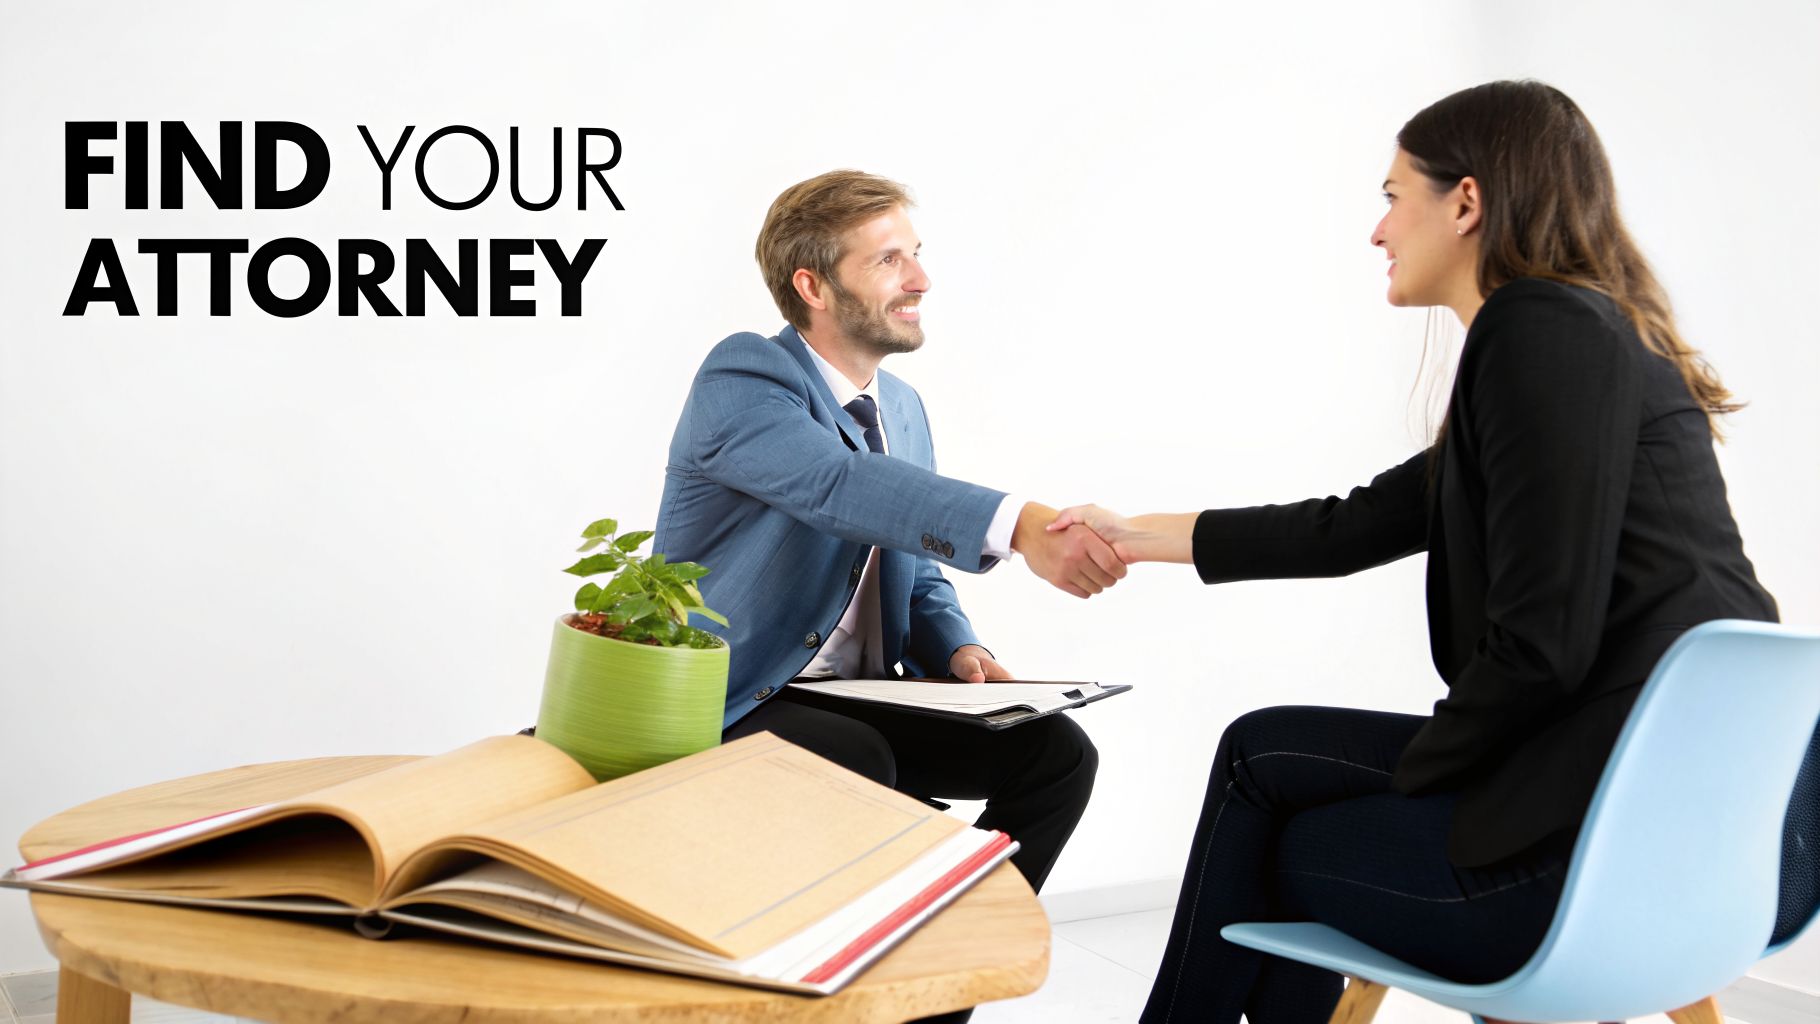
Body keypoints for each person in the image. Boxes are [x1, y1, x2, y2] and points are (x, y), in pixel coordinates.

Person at [1047, 80, 1785, 1023]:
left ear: (1466, 202)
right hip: (1717, 857)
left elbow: (1540, 645)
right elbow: (1351, 524)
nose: (1379, 230)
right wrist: (1131, 535)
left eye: (1395, 195)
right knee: (1266, 754)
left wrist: (1441, 772)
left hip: (1588, 860)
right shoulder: (1596, 341)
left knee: (1268, 808)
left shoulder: (1537, 330)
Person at [653, 169, 1117, 898]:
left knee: (1055, 754)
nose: (922, 279)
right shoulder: (744, 376)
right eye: (889, 260)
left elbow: (914, 561)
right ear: (813, 288)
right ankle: (877, 961)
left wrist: (960, 647)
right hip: (742, 695)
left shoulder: (901, 407)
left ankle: (956, 962)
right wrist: (1021, 526)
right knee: (858, 758)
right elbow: (839, 486)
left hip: (864, 695)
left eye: (917, 253)